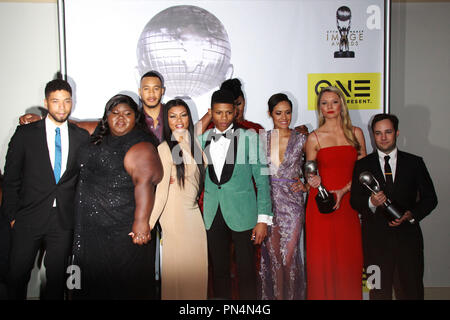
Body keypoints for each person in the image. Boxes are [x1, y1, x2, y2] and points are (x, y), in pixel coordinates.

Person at [1, 79, 90, 299]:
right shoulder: (26, 134)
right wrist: (13, 216)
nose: (62, 107)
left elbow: (83, 177)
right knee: (17, 277)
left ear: (72, 102)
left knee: (57, 280)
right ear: (46, 102)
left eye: (67, 101)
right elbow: (11, 178)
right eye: (56, 101)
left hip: (62, 220)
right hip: (27, 218)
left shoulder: (81, 137)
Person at [71, 94, 162, 299]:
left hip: (122, 230)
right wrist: (42, 120)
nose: (120, 118)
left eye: (127, 114)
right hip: (90, 229)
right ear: (107, 116)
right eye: (115, 113)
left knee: (124, 284)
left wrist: (141, 222)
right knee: (90, 281)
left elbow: (144, 184)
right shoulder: (99, 132)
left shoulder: (141, 145)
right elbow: (72, 125)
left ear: (136, 117)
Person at [350, 113, 437, 300]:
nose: (383, 137)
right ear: (373, 135)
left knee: (411, 292)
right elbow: (354, 201)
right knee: (378, 293)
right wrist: (371, 202)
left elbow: (431, 199)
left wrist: (411, 214)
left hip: (408, 242)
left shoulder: (414, 163)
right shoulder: (362, 165)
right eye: (378, 133)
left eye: (388, 132)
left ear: (396, 133)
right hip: (375, 244)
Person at [198, 89, 272, 300]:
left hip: (244, 213)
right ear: (211, 112)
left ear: (235, 112)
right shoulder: (203, 138)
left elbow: (262, 179)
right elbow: (185, 145)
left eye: (228, 113)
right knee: (219, 271)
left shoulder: (250, 137)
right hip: (213, 213)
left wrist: (263, 220)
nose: (223, 118)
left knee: (246, 271)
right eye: (218, 113)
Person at [305, 86, 367, 300]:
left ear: (342, 105)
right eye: (324, 103)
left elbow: (364, 173)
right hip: (323, 206)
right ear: (319, 108)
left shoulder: (356, 133)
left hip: (348, 204)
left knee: (348, 259)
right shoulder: (313, 138)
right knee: (322, 261)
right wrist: (312, 181)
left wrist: (343, 191)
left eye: (334, 102)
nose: (329, 107)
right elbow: (309, 172)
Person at [149, 99, 208, 300]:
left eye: (183, 115)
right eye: (172, 116)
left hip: (194, 217)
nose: (179, 120)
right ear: (166, 120)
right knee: (178, 277)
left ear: (189, 117)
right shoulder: (164, 149)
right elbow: (161, 193)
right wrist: (147, 225)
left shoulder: (196, 142)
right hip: (174, 218)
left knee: (197, 274)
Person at [259, 93, 308, 300]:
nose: (284, 117)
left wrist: (306, 184)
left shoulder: (303, 139)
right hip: (268, 203)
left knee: (289, 257)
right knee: (273, 259)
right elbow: (255, 172)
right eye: (278, 113)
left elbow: (317, 165)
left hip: (292, 204)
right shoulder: (261, 138)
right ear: (270, 114)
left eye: (288, 112)